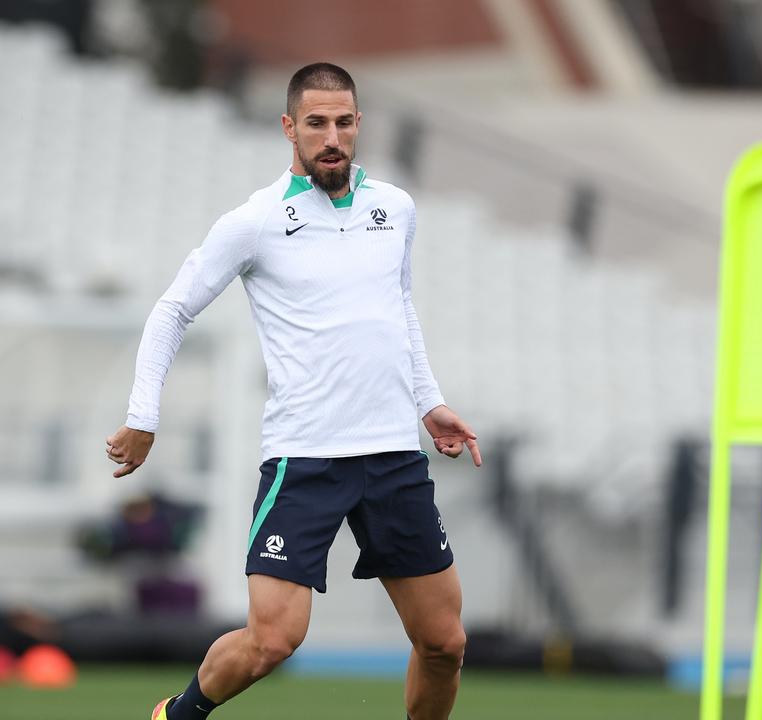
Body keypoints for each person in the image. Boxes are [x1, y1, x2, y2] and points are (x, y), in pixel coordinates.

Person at [105, 62, 482, 720]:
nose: (331, 136)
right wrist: (143, 417)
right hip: (304, 459)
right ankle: (178, 715)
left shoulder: (395, 209)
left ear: (359, 124)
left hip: (393, 457)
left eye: (343, 122)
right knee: (274, 640)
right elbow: (172, 311)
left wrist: (429, 402)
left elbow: (398, 309)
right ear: (289, 129)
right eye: (316, 123)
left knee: (444, 642)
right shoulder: (254, 222)